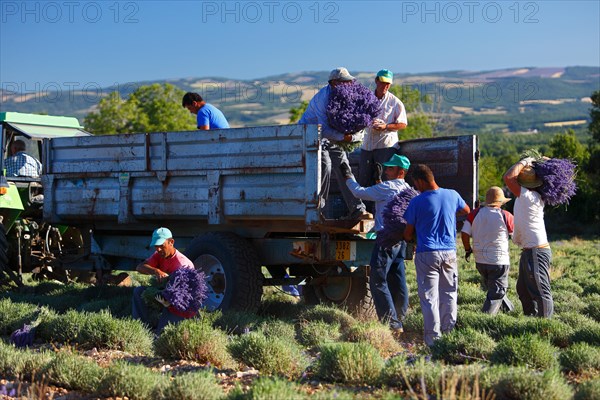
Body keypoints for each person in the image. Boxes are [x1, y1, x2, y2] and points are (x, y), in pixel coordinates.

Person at [342, 154, 412, 334]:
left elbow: (360, 193)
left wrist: (348, 177)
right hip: (400, 239)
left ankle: (391, 324)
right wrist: (378, 180)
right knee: (398, 279)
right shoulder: (407, 188)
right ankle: (401, 318)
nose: (387, 170)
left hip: (385, 239)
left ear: (400, 172)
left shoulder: (387, 187)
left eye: (391, 168)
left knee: (378, 280)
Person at [403, 164, 470, 346]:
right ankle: (449, 336)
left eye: (415, 184)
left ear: (420, 181)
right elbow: (467, 211)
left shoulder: (417, 202)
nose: (415, 188)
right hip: (449, 252)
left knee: (429, 298)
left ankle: (433, 341)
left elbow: (407, 234)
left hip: (427, 253)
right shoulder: (453, 195)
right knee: (449, 294)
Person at [298, 67, 368, 220]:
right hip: (310, 136)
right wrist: (347, 138)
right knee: (324, 164)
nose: (349, 85)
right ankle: (318, 210)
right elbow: (325, 131)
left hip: (331, 137)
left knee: (343, 165)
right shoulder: (322, 99)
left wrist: (356, 133)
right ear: (335, 83)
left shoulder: (344, 96)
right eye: (346, 82)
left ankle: (357, 208)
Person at [503, 157, 553, 317]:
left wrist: (525, 161)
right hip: (530, 250)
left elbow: (508, 177)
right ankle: (531, 320)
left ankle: (545, 326)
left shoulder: (527, 196)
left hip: (536, 251)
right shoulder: (534, 196)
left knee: (540, 290)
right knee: (523, 290)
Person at [132, 227, 198, 333]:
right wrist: (156, 271)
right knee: (139, 292)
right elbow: (139, 267)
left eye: (161, 246)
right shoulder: (159, 255)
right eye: (156, 246)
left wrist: (167, 302)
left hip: (180, 306)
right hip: (164, 296)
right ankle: (140, 329)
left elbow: (183, 299)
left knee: (161, 335)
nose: (158, 250)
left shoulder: (183, 265)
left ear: (171, 242)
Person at [461, 186, 515, 315]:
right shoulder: (506, 215)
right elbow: (516, 236)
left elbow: (464, 233)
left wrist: (468, 249)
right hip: (498, 259)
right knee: (497, 291)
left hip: (480, 260)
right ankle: (485, 318)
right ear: (500, 202)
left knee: (494, 288)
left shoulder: (474, 214)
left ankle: (509, 311)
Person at [359, 69, 408, 188]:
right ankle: (366, 206)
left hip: (386, 146)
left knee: (386, 181)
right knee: (364, 180)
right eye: (383, 82)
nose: (385, 86)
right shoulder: (366, 99)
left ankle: (385, 207)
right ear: (376, 81)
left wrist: (385, 126)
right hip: (367, 146)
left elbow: (403, 124)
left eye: (388, 83)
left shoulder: (395, 102)